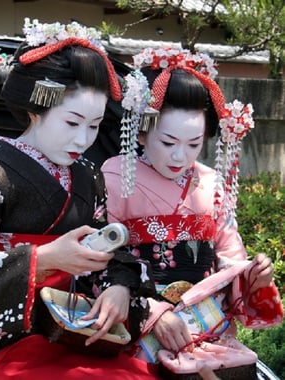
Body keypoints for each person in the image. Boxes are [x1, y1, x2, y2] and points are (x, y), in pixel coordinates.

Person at [0, 19, 158, 380]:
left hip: (75, 329)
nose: (83, 139)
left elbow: (107, 247)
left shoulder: (88, 175)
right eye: (72, 122)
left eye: (94, 125)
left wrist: (117, 286)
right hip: (7, 338)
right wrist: (47, 258)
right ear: (36, 109)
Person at [101, 47, 283, 378]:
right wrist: (152, 313)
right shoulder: (116, 177)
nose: (179, 156)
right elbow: (104, 261)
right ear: (141, 131)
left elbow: (229, 257)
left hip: (207, 325)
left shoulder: (210, 182)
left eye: (193, 144)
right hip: (141, 322)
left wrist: (255, 275)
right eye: (168, 142)